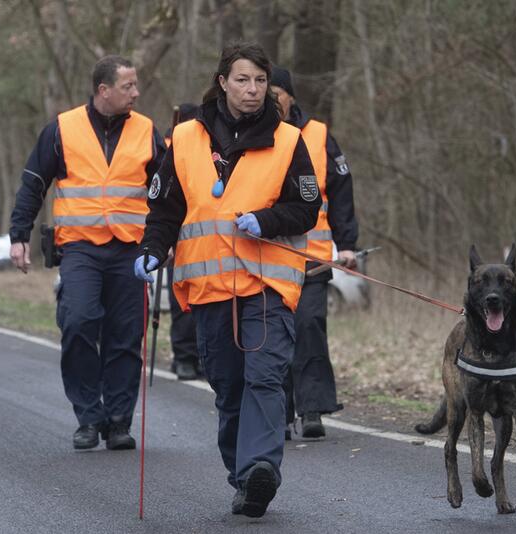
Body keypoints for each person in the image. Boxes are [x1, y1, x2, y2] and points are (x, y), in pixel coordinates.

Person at [134, 42, 320, 518]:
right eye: (243, 80)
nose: (253, 90)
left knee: (265, 377)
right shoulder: (185, 139)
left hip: (267, 287)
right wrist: (153, 251)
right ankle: (243, 476)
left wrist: (268, 219)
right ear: (222, 82)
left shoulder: (288, 140)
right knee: (230, 388)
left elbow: (305, 208)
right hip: (209, 291)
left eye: (260, 81)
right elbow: (165, 211)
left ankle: (260, 468)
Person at [8, 55, 166, 451]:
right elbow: (33, 183)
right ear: (103, 90)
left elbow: (169, 193)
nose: (136, 92)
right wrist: (19, 234)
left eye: (135, 85)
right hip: (80, 247)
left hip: (131, 248)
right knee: (78, 322)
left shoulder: (147, 131)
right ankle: (88, 416)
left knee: (126, 336)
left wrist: (164, 241)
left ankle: (117, 422)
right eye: (128, 86)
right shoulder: (62, 129)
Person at [270, 67, 359, 440]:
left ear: (291, 96)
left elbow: (340, 191)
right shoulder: (256, 134)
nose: (271, 98)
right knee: (276, 336)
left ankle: (312, 410)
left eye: (276, 92)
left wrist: (348, 243)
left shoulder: (320, 135)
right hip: (270, 259)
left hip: (314, 257)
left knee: (309, 328)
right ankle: (279, 411)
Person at [163, 103, 202, 381]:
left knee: (204, 303)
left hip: (204, 238)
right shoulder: (168, 147)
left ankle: (198, 356)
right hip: (176, 238)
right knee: (182, 302)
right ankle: (184, 356)